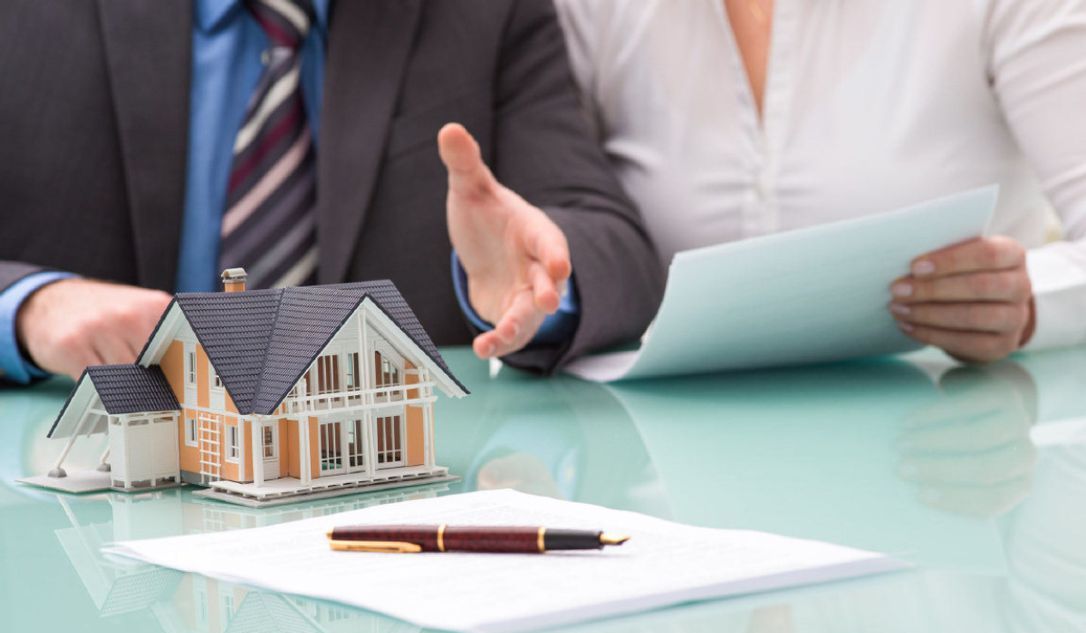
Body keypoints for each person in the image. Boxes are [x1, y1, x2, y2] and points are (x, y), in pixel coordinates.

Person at [0, 0, 663, 384]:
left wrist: (537, 282)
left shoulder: (483, 13)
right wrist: (29, 307)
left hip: (381, 508)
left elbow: (615, 248)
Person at [554, 0, 1086, 364]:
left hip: (946, 449)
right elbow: (562, 220)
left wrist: (1022, 302)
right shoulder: (596, 11)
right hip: (661, 458)